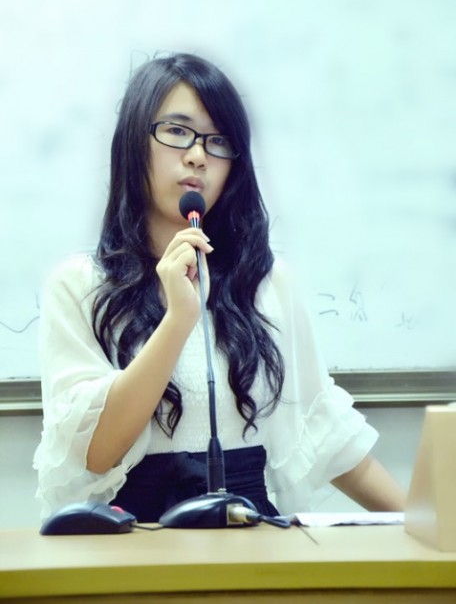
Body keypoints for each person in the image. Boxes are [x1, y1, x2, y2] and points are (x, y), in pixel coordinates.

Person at [33, 52, 406, 522]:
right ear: (133, 143)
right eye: (177, 131)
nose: (198, 155)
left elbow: (329, 438)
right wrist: (178, 320)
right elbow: (97, 451)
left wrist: (427, 526)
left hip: (249, 532)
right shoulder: (81, 284)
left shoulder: (266, 282)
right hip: (137, 537)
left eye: (218, 141)